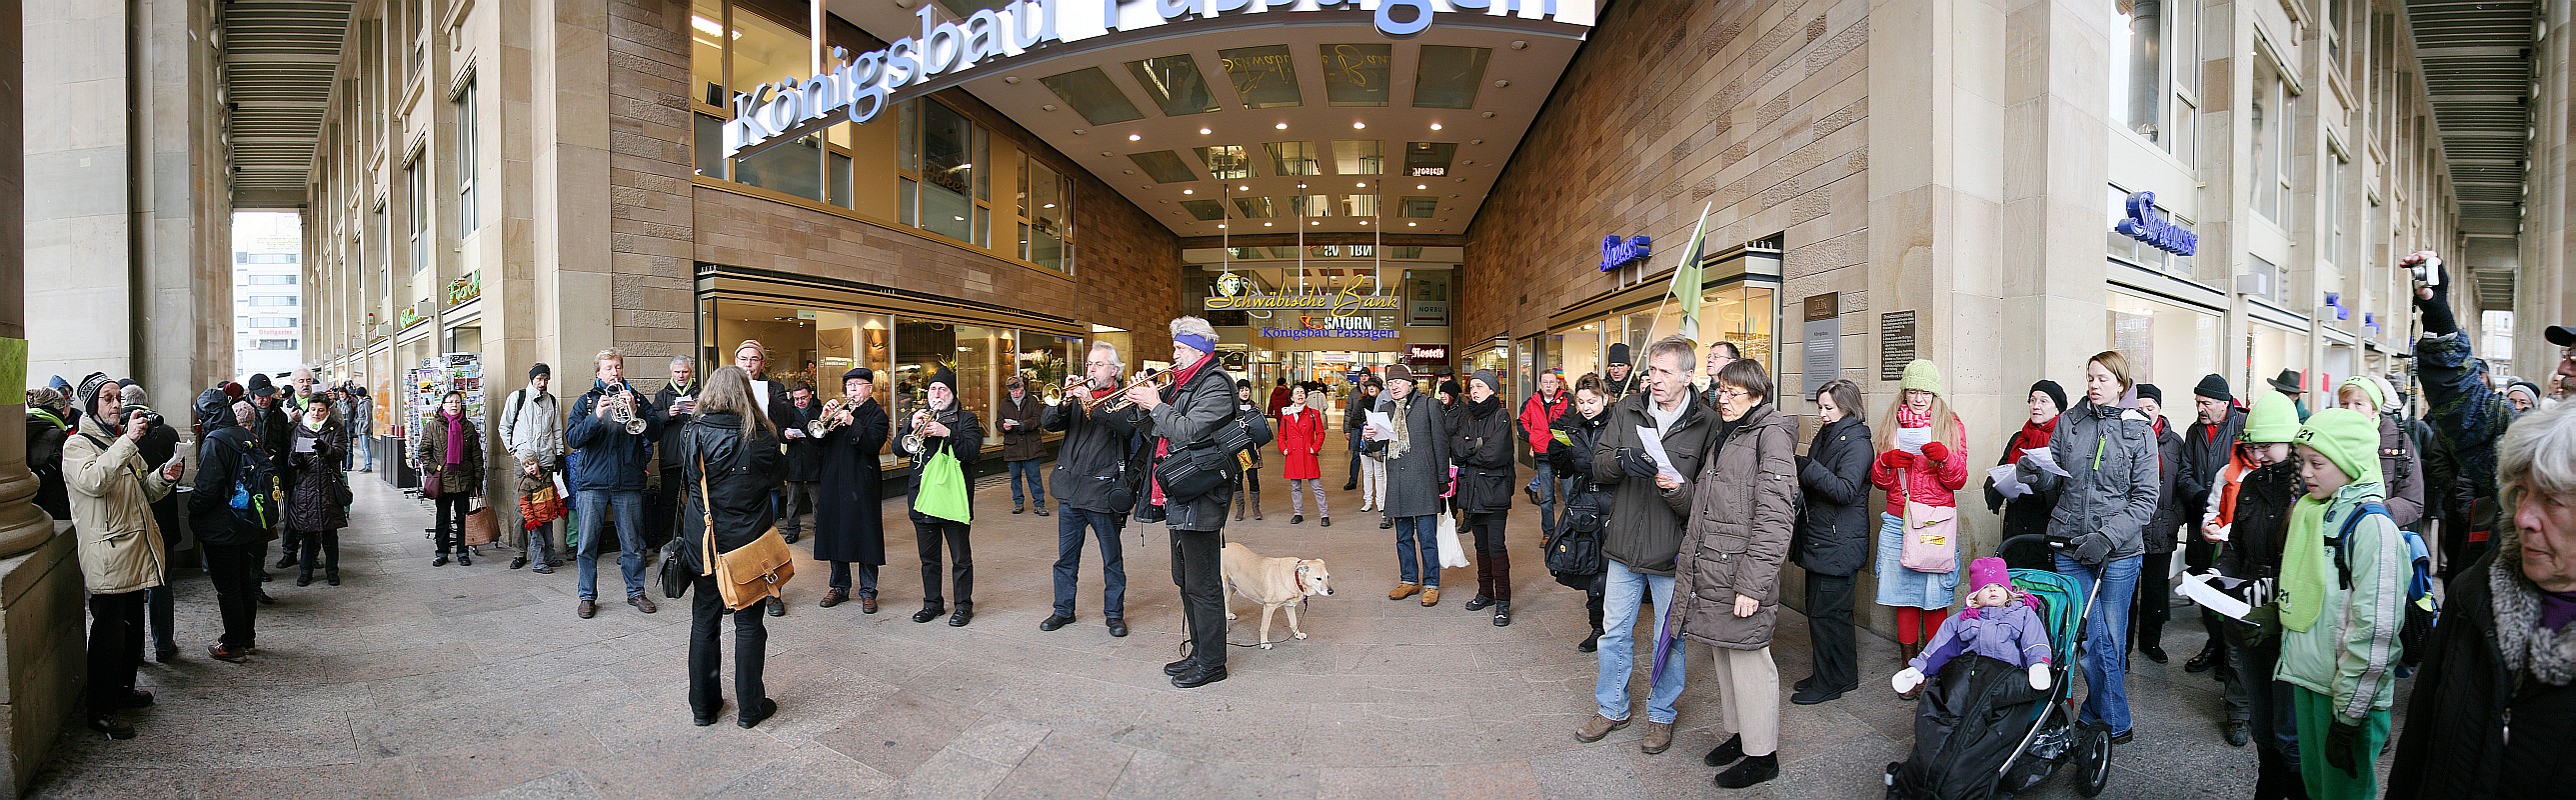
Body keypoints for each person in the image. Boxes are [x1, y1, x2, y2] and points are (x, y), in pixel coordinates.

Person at [2386, 401, 2576, 798]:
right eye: (2520, 492)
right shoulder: (2475, 592)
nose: (2523, 517)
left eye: (2552, 500)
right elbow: (2418, 743)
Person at [1578, 336, 1715, 755]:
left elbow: (1705, 500)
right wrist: (1621, 460)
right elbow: (1598, 464)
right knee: (1613, 633)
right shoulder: (1628, 408)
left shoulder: (1707, 424)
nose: (1654, 378)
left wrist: (1677, 488)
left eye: (1664, 372)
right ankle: (1612, 708)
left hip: (1671, 552)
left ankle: (1661, 715)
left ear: (1688, 376)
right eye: (1651, 369)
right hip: (1624, 546)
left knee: (1668, 639)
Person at [1663, 358, 1795, 788]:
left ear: (1756, 396)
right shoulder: (1730, 433)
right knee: (1725, 655)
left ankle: (1763, 755)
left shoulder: (1771, 437)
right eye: (1721, 390)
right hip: (1716, 569)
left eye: (1733, 393)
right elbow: (1709, 504)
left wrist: (1752, 586)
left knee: (1751, 662)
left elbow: (1775, 520)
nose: (1723, 398)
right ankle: (1742, 736)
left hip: (1741, 574)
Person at [2018, 351, 2160, 745]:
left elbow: (2145, 500)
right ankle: (2117, 721)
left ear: (2121, 384)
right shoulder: (2070, 421)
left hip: (2118, 552)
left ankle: (2095, 712)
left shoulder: (2139, 431)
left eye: (2102, 379)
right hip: (2070, 545)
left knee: (2110, 640)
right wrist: (2034, 474)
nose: (2094, 385)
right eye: (2090, 377)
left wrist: (2106, 538)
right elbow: (2055, 477)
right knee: (2088, 638)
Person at [2273, 409, 2404, 799]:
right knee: (2318, 788)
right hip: (2311, 679)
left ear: (2349, 462)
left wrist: (2350, 716)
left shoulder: (2373, 528)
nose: (2306, 473)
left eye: (2317, 463)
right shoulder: (2316, 512)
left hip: (2348, 698)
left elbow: (2377, 631)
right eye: (2303, 462)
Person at [65, 377, 182, 739]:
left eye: (118, 397)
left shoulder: (118, 442)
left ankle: (124, 691)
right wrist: (128, 441)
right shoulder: (78, 445)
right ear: (92, 406)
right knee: (108, 637)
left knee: (131, 630)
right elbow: (94, 481)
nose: (116, 404)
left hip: (133, 551)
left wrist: (164, 476)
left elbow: (144, 491)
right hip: (108, 554)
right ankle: (101, 711)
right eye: (108, 398)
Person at [673, 365, 787, 730]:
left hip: (705, 541)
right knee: (750, 624)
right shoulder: (762, 435)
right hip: (748, 543)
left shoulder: (694, 431)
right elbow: (778, 477)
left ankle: (703, 708)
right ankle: (750, 708)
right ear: (746, 394)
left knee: (704, 620)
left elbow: (689, 479)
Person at [2202, 393, 2305, 790]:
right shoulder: (2250, 485)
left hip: (2286, 617)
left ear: (2290, 442)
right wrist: (2217, 573)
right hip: (2248, 607)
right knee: (2263, 727)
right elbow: (2236, 548)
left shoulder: (2307, 492)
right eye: (2253, 446)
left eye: (2267, 446)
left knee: (2288, 731)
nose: (2258, 455)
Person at [1132, 316, 1239, 688]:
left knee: (1203, 583)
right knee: (1185, 579)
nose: (1173, 354)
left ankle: (1212, 664)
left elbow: (1189, 432)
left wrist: (1155, 403)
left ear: (1198, 349)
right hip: (1181, 491)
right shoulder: (1183, 383)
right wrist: (1143, 405)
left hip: (1203, 494)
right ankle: (1199, 652)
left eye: (1179, 348)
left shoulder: (1215, 384)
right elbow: (1160, 431)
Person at [2401, 251, 2519, 582]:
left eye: (2574, 356)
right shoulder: (2539, 434)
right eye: (2567, 354)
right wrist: (2437, 314)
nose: (2564, 368)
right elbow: (2467, 411)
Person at [1872, 359, 1970, 674]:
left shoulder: (1950, 424)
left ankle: (1934, 668)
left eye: (1925, 392)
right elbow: (1879, 481)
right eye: (1912, 391)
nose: (1918, 398)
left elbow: (1958, 480)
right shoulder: (1891, 424)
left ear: (1934, 395)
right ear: (1904, 392)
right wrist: (1885, 463)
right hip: (1898, 520)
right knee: (1905, 598)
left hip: (1935, 521)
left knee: (1934, 597)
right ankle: (1909, 668)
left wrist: (1946, 459)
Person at [1042, 344, 1148, 636]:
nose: (1091, 369)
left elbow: (1126, 428)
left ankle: (1114, 614)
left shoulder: (1126, 398)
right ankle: (1063, 610)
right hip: (1071, 490)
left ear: (1114, 370)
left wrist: (1093, 403)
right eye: (1089, 364)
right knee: (1066, 558)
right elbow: (1048, 423)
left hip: (1103, 490)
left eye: (1098, 364)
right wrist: (1064, 402)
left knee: (1111, 559)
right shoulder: (1076, 397)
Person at [1792, 379, 1872, 705]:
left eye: (1829, 408)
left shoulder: (1857, 443)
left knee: (1828, 616)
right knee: (1824, 613)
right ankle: (1836, 675)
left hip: (1838, 543)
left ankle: (1830, 682)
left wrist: (1808, 468)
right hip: (1823, 539)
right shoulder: (1828, 434)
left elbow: (1845, 490)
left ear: (1847, 407)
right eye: (1820, 407)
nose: (1822, 414)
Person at [568, 349, 663, 618]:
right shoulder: (587, 402)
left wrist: (637, 410)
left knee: (632, 543)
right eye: (609, 368)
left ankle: (636, 592)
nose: (615, 372)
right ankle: (587, 596)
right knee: (587, 544)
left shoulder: (637, 398)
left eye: (618, 367)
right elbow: (572, 438)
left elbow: (656, 432)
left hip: (627, 481)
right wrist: (595, 417)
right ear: (598, 372)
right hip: (592, 483)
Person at [900, 365, 983, 627]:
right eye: (933, 388)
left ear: (952, 394)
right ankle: (932, 603)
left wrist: (947, 432)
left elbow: (972, 452)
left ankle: (963, 606)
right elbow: (899, 448)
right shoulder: (918, 416)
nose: (936, 393)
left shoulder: (966, 419)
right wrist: (910, 426)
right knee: (928, 558)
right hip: (922, 497)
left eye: (943, 389)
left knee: (960, 557)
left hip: (951, 497)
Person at [187, 388, 263, 663]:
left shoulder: (214, 441)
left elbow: (208, 488)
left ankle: (232, 644)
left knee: (228, 587)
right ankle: (247, 638)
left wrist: (192, 507)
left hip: (221, 526)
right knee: (243, 581)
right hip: (245, 521)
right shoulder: (245, 434)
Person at [2179, 374, 2248, 676]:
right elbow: (2184, 472)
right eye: (2197, 402)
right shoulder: (2194, 431)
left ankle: (2230, 653)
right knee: (2204, 583)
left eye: (2206, 403)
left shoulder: (2243, 425)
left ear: (2224, 403)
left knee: (2229, 587)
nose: (2200, 408)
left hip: (2233, 524)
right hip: (2202, 519)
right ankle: (2214, 644)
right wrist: (2201, 498)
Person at [1369, 364, 1451, 604]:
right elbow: (1377, 445)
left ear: (1410, 383)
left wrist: (1442, 480)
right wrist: (1369, 436)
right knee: (1403, 536)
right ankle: (1409, 581)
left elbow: (1441, 444)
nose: (1394, 386)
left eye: (1398, 382)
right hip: (1397, 481)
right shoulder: (1385, 409)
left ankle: (1432, 584)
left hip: (1424, 480)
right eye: (1390, 383)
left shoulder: (1428, 405)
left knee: (1427, 537)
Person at [812, 368, 891, 613]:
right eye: (849, 385)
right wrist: (824, 417)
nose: (852, 390)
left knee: (865, 536)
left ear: (870, 388)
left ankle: (868, 591)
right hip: (834, 481)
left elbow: (873, 443)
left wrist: (852, 422)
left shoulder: (877, 414)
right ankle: (839, 587)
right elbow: (817, 441)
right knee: (836, 533)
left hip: (861, 482)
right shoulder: (838, 411)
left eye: (857, 385)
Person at [1549, 373, 1616, 652]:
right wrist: (1557, 455)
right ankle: (1598, 627)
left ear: (1605, 398)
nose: (1586, 407)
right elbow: (1565, 471)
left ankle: (1615, 628)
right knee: (1591, 566)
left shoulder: (1617, 424)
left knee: (1612, 569)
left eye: (1592, 401)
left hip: (1615, 502)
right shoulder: (1572, 427)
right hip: (1585, 504)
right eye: (1581, 401)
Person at [1451, 369, 1518, 625]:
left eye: (1479, 386)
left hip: (1495, 491)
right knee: (1480, 546)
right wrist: (1476, 445)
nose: (1474, 391)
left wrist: (1472, 450)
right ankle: (1485, 593)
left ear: (1492, 390)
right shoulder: (1468, 417)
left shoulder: (1502, 416)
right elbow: (1457, 449)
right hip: (1473, 492)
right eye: (1472, 387)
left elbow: (1495, 454)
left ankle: (1503, 601)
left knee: (1496, 546)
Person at [1986, 381, 2068, 570]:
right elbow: (1996, 476)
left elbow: (2067, 488)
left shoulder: (2065, 441)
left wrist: (2036, 486)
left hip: (2047, 529)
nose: (2036, 406)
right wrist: (2000, 485)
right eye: (2032, 400)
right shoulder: (2018, 438)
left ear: (2057, 409)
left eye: (2043, 401)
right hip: (2016, 526)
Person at [2131, 385, 2185, 664]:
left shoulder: (2175, 443)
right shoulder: (2126, 436)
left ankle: (2150, 643)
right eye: (2139, 408)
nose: (2145, 413)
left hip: (2163, 528)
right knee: (2126, 592)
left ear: (2160, 409)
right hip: (2131, 530)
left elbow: (2183, 483)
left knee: (2155, 590)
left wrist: (2175, 517)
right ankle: (2122, 648)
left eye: (2150, 408)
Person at [2334, 376, 2426, 529]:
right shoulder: (2330, 438)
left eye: (2358, 404)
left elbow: (2413, 501)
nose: (2350, 410)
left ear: (2374, 410)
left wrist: (2372, 514)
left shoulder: (2397, 440)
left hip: (2379, 530)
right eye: (2344, 404)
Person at [499, 363, 564, 571]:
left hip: (545, 461)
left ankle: (546, 554)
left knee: (546, 507)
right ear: (532, 379)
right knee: (522, 509)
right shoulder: (517, 398)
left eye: (546, 379)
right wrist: (513, 451)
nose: (543, 383)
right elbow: (504, 427)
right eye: (539, 379)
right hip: (524, 462)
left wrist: (559, 454)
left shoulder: (551, 401)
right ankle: (520, 552)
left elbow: (557, 430)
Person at [286, 400, 348, 586]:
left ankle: (332, 571)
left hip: (328, 487)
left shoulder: (335, 428)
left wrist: (325, 449)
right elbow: (292, 462)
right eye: (313, 409)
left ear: (327, 411)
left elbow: (340, 453)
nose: (316, 413)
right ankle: (305, 571)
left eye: (320, 410)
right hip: (307, 488)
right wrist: (295, 457)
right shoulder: (300, 429)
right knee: (308, 534)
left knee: (330, 534)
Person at [420, 391, 485, 567]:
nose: (454, 405)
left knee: (463, 519)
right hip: (443, 481)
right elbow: (424, 452)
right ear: (443, 405)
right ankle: (441, 552)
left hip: (463, 480)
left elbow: (476, 454)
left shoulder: (468, 427)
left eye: (457, 402)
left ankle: (463, 552)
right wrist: (436, 468)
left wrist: (478, 477)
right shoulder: (433, 426)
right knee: (442, 519)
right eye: (451, 402)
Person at [652, 355, 702, 554]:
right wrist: (667, 414)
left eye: (685, 371)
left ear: (691, 372)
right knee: (668, 501)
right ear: (671, 372)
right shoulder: (662, 395)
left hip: (695, 456)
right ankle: (667, 540)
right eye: (677, 372)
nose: (681, 375)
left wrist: (698, 410)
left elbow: (713, 416)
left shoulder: (701, 393)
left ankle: (697, 537)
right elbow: (652, 421)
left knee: (697, 499)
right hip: (671, 457)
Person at [1521, 368, 1571, 541]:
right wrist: (1532, 439)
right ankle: (1548, 533)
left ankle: (1569, 533)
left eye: (1552, 382)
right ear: (1540, 384)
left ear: (1558, 384)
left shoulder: (1568, 400)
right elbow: (1522, 422)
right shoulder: (1531, 402)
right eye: (1545, 382)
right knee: (1547, 498)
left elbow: (1572, 421)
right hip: (1543, 454)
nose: (1549, 385)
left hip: (1564, 454)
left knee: (1569, 496)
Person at [779, 383, 824, 555]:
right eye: (796, 398)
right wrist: (785, 435)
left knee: (817, 499)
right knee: (792, 500)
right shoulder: (788, 411)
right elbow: (779, 431)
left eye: (803, 398)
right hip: (795, 460)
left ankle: (820, 529)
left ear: (810, 395)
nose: (799, 402)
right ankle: (792, 530)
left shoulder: (819, 410)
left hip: (814, 459)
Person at [1278, 382, 1328, 526]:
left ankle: (1324, 515)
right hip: (1293, 454)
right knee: (1295, 486)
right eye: (1297, 393)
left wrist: (1314, 448)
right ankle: (1298, 513)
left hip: (1308, 453)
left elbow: (1320, 433)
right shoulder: (1287, 414)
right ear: (1291, 397)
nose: (1300, 395)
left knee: (1316, 486)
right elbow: (1281, 435)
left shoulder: (1313, 413)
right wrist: (1284, 449)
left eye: (1302, 392)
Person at [996, 375, 1049, 517]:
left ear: (1022, 387)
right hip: (1013, 446)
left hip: (1031, 445)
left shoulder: (1032, 400)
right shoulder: (1004, 403)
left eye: (1017, 390)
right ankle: (1018, 503)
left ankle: (1039, 504)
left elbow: (1038, 419)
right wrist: (1003, 426)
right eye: (1012, 391)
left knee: (1034, 477)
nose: (1014, 393)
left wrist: (1025, 425)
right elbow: (998, 422)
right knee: (1015, 478)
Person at [24, 386, 71, 522]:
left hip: (24, 505)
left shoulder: (18, 426)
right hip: (53, 511)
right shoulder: (57, 436)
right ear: (59, 409)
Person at [1232, 379, 1268, 521]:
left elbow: (1262, 427)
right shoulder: (1232, 407)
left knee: (1253, 478)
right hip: (1237, 449)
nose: (1244, 392)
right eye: (1241, 390)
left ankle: (1256, 508)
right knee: (1238, 479)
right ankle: (1240, 509)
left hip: (1252, 448)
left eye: (1246, 389)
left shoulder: (1257, 407)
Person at [1354, 377, 1387, 514]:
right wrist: (1364, 424)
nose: (1371, 388)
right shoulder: (1361, 402)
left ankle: (1381, 502)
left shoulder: (1385, 402)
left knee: (1379, 473)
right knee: (1367, 473)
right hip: (1365, 442)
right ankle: (1368, 501)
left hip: (1380, 442)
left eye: (1374, 386)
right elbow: (1353, 420)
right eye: (1369, 386)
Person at [1696, 341, 1739, 408]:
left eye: (1716, 356)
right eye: (1709, 356)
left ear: (1731, 362)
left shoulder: (1738, 395)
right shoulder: (1701, 398)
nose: (1710, 360)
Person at [349, 386, 376, 473]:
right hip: (360, 427)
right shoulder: (361, 402)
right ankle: (366, 465)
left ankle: (368, 466)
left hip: (364, 427)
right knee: (363, 448)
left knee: (365, 447)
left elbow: (368, 417)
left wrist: (365, 428)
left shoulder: (366, 403)